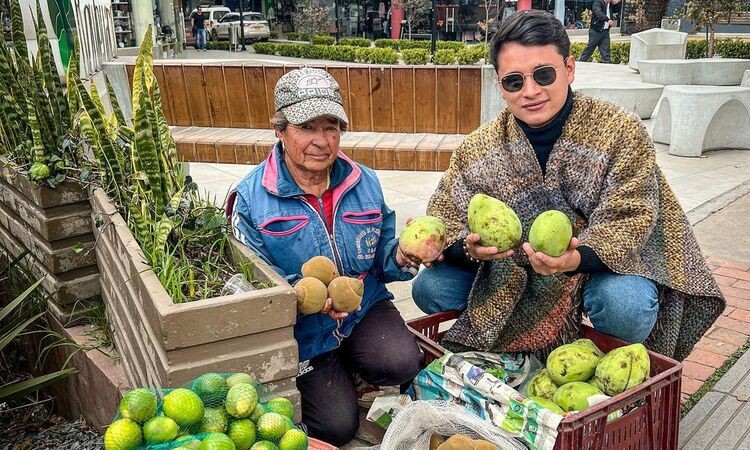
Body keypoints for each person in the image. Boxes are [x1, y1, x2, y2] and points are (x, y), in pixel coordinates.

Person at [411, 10, 724, 362]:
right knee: (430, 288)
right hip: (513, 269)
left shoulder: (618, 130)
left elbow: (632, 217)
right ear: (500, 86)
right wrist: (467, 250)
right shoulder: (478, 148)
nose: (530, 91)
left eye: (543, 75)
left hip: (595, 266)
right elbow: (445, 216)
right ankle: (510, 356)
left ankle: (608, 363)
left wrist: (575, 259)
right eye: (514, 81)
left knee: (625, 306)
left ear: (570, 69)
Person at [231, 68, 422, 446]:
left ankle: (353, 365)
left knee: (402, 362)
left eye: (331, 126)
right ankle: (336, 373)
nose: (321, 141)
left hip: (364, 307)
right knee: (336, 427)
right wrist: (302, 301)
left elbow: (382, 259)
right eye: (307, 127)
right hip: (303, 331)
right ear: (280, 130)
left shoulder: (363, 180)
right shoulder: (250, 198)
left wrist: (401, 254)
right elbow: (250, 286)